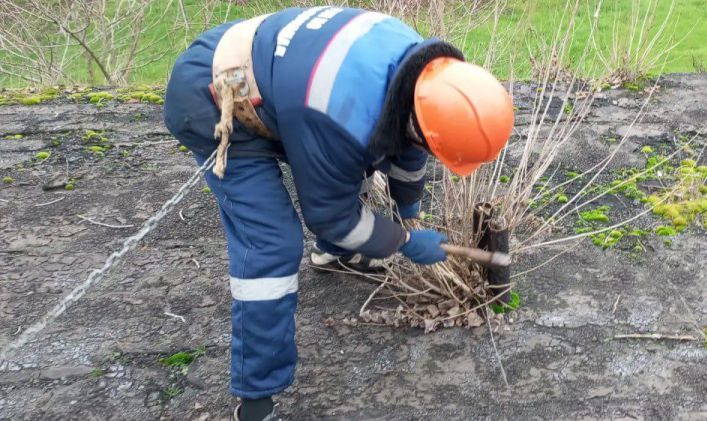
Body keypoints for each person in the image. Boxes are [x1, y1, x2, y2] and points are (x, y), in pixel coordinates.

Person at [163, 6, 513, 420]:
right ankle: (256, 400)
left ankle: (336, 254)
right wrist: (401, 241)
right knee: (272, 244)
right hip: (214, 97)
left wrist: (409, 211)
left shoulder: (421, 74)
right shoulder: (339, 112)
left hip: (279, 85)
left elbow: (409, 147)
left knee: (351, 161)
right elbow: (330, 215)